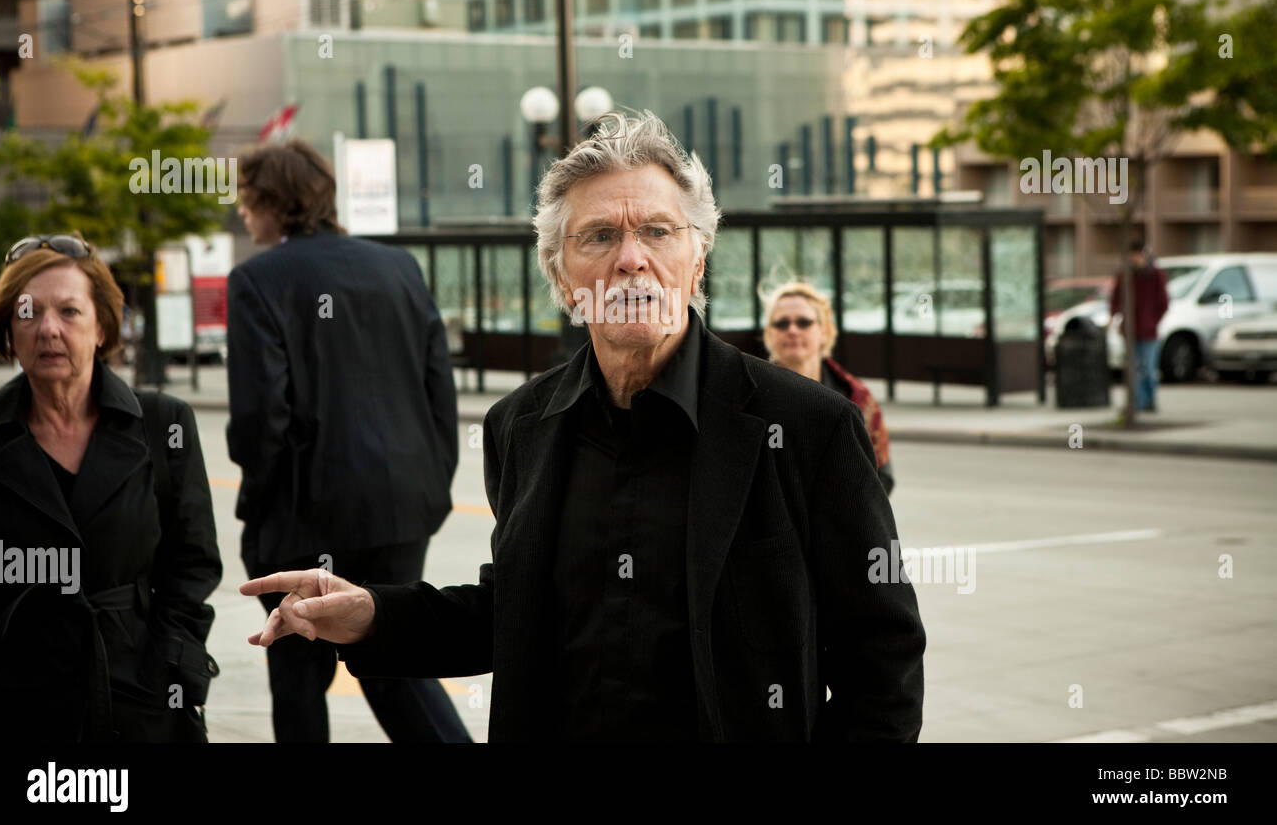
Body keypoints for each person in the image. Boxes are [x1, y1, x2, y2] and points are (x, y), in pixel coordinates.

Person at [241, 112, 926, 742]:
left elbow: (883, 659)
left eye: (658, 231)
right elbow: (511, 611)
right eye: (599, 236)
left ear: (696, 261)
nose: (632, 258)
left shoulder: (808, 426)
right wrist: (372, 615)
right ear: (564, 278)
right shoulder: (522, 426)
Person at [228, 139, 471, 743]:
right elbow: (439, 390)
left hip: (305, 516)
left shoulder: (257, 279)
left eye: (246, 201)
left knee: (297, 665)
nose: (242, 213)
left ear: (269, 202)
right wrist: (432, 481)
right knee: (392, 656)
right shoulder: (398, 267)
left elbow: (262, 419)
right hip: (401, 508)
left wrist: (260, 508)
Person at [0, 234, 221, 742]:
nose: (48, 329)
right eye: (28, 313)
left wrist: (171, 665)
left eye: (69, 311)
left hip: (139, 694)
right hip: (17, 705)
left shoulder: (161, 423)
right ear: (7, 329)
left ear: (102, 326)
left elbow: (192, 562)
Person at [763, 281, 895, 496]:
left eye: (804, 322)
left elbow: (882, 475)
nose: (792, 330)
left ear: (824, 331)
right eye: (781, 323)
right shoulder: (751, 396)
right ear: (769, 334)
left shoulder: (857, 398)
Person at [1109, 238, 1170, 411]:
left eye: (1138, 255)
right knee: (1133, 369)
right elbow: (1116, 298)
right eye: (1132, 255)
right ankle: (1137, 403)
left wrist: (1153, 320)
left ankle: (1150, 400)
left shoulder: (1155, 274)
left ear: (1144, 255)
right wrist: (1113, 316)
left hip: (1149, 331)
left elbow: (1163, 302)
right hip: (1130, 330)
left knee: (1148, 369)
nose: (1135, 259)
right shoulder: (1125, 274)